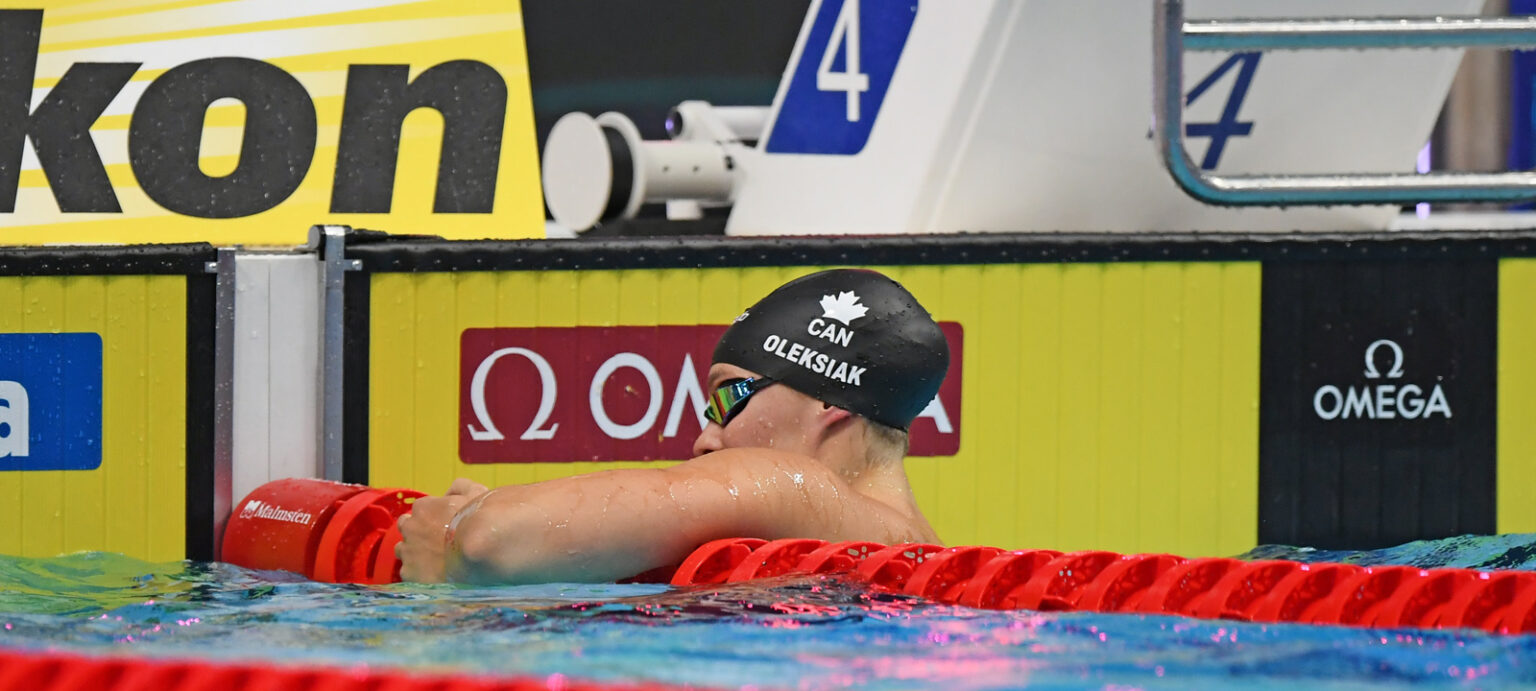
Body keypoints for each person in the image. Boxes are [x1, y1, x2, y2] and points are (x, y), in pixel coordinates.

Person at [396, 269, 950, 584]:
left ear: (830, 406)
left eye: (727, 397)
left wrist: (452, 532)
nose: (705, 436)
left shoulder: (797, 488)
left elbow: (492, 540)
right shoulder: (923, 553)